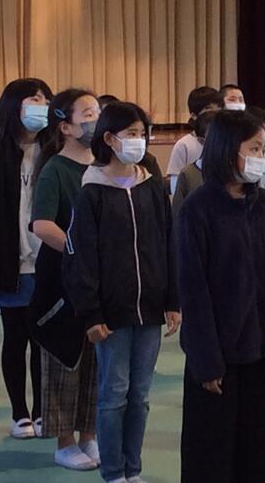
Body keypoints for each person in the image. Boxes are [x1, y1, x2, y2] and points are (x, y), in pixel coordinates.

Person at [63, 101, 181, 483]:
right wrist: (91, 314)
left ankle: (133, 469)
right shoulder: (92, 191)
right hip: (111, 314)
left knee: (140, 396)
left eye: (142, 133)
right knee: (114, 394)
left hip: (150, 309)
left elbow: (168, 243)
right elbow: (82, 257)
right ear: (110, 139)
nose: (139, 140)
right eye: (131, 133)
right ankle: (114, 471)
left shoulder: (151, 186)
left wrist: (173, 300)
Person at [177, 110, 265, 483]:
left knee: (257, 455)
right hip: (218, 359)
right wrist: (206, 362)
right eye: (254, 149)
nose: (262, 156)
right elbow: (193, 291)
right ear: (228, 150)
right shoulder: (198, 209)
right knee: (211, 457)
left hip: (261, 353)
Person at [30, 89, 101, 471]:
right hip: (61, 280)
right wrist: (78, 252)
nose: (96, 119)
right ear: (66, 126)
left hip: (100, 279)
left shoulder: (104, 166)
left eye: (98, 111)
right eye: (87, 113)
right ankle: (64, 442)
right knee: (65, 359)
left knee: (96, 358)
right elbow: (42, 225)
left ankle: (89, 435)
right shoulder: (56, 169)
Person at [0, 78, 51, 440]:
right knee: (16, 336)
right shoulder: (0, 148)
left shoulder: (54, 149)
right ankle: (20, 413)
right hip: (11, 258)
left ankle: (43, 409)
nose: (41, 105)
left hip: (47, 258)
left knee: (44, 339)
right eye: (34, 99)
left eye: (46, 99)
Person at [166, 86, 222, 194]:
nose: (215, 114)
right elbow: (176, 187)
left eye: (219, 109)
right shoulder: (183, 145)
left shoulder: (226, 142)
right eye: (209, 109)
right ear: (194, 115)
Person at [172, 110, 218, 221]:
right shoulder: (189, 174)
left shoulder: (235, 172)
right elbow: (178, 215)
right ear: (202, 141)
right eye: (215, 135)